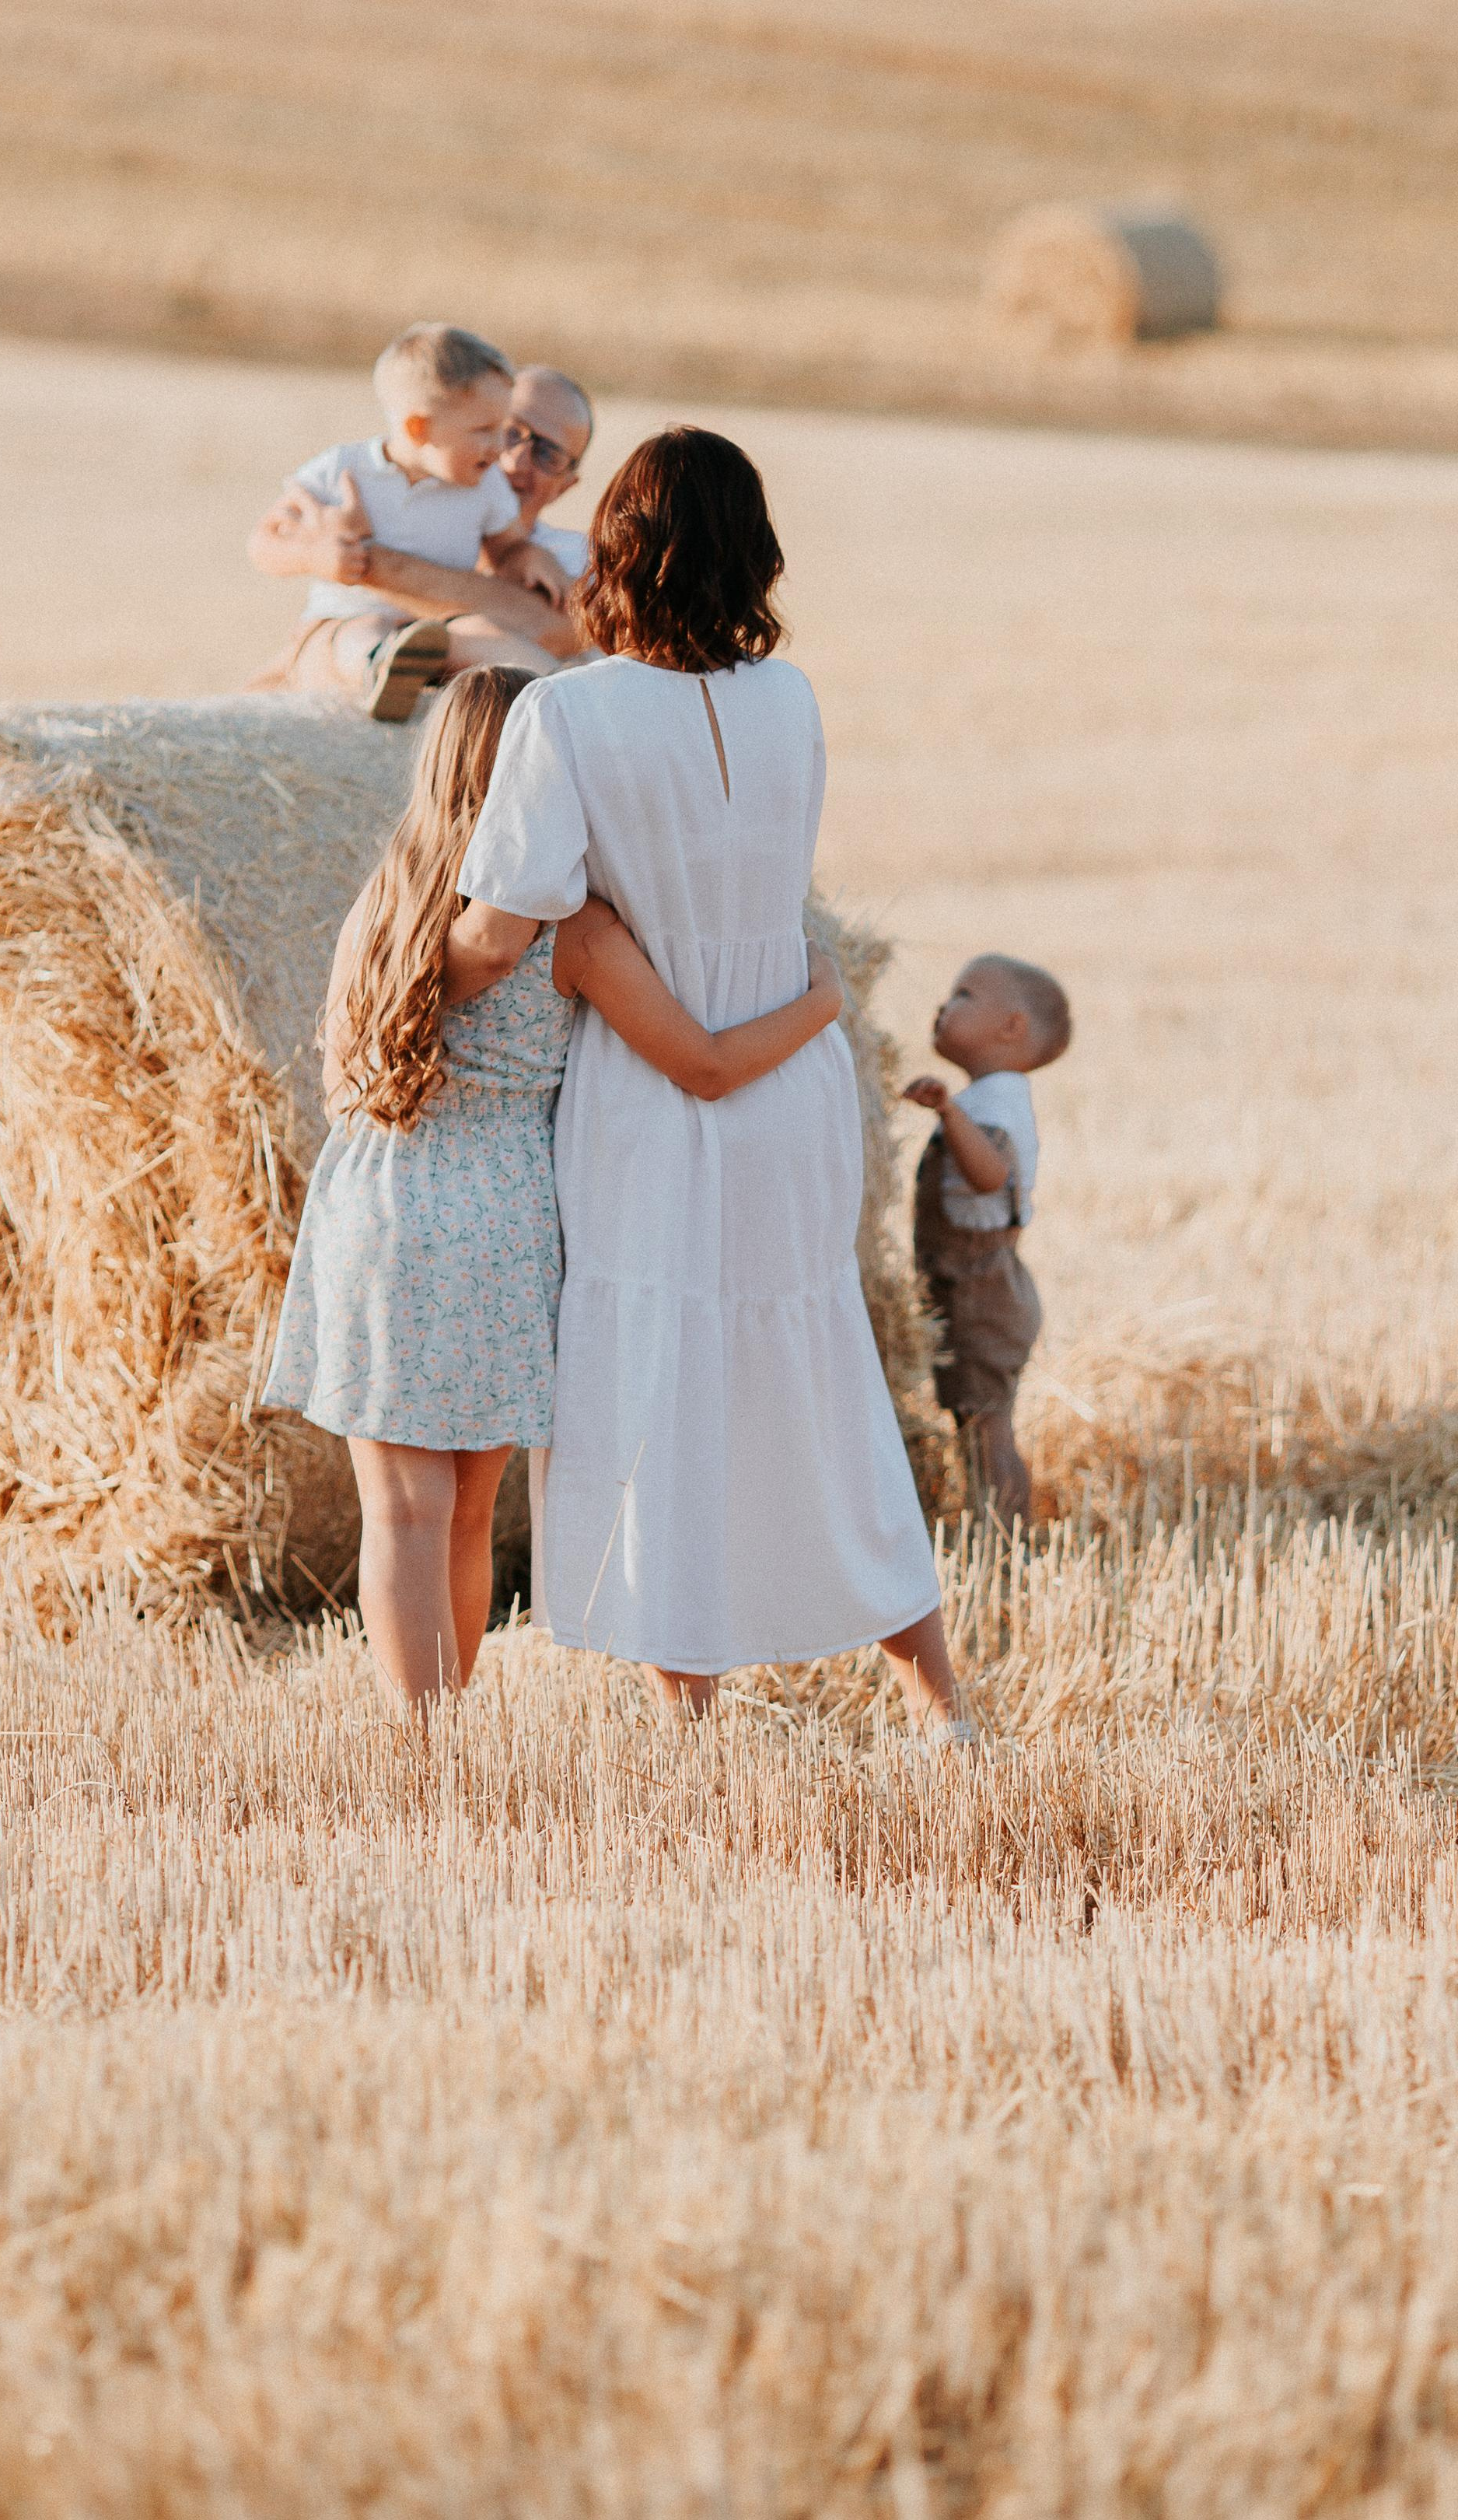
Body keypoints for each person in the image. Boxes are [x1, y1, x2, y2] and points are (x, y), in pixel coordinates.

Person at [446, 428, 969, 1732]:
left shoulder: (566, 713)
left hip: (651, 1092)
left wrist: (403, 991)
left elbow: (507, 922)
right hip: (793, 1076)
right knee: (821, 1377)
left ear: (615, 548)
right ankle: (942, 1705)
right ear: (754, 551)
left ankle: (691, 1720)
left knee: (661, 1375)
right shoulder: (790, 700)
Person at [260, 664, 846, 1710]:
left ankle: (421, 1750)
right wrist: (821, 1005)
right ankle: (442, 1730)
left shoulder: (387, 905)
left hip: (382, 1204)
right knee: (472, 1516)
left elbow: (343, 1073)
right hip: (508, 1214)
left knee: (400, 1512)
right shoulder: (574, 929)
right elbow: (702, 1062)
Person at [245, 324, 562, 718]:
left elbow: (508, 548)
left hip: (439, 630)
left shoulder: (486, 484)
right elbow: (263, 543)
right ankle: (385, 674)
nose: (499, 447)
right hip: (343, 621)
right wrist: (316, 557)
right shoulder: (343, 469)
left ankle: (553, 694)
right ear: (419, 428)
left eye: (503, 428)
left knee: (493, 639)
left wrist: (532, 558)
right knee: (361, 638)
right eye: (483, 430)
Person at [902, 954, 1072, 1528]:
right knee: (978, 1423)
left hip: (981, 1289)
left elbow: (991, 1174)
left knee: (987, 1427)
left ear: (1011, 1028)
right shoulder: (993, 1096)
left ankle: (1008, 1540)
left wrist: (950, 1114)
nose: (944, 1006)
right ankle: (995, 1528)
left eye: (964, 994)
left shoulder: (991, 1104)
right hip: (976, 1283)